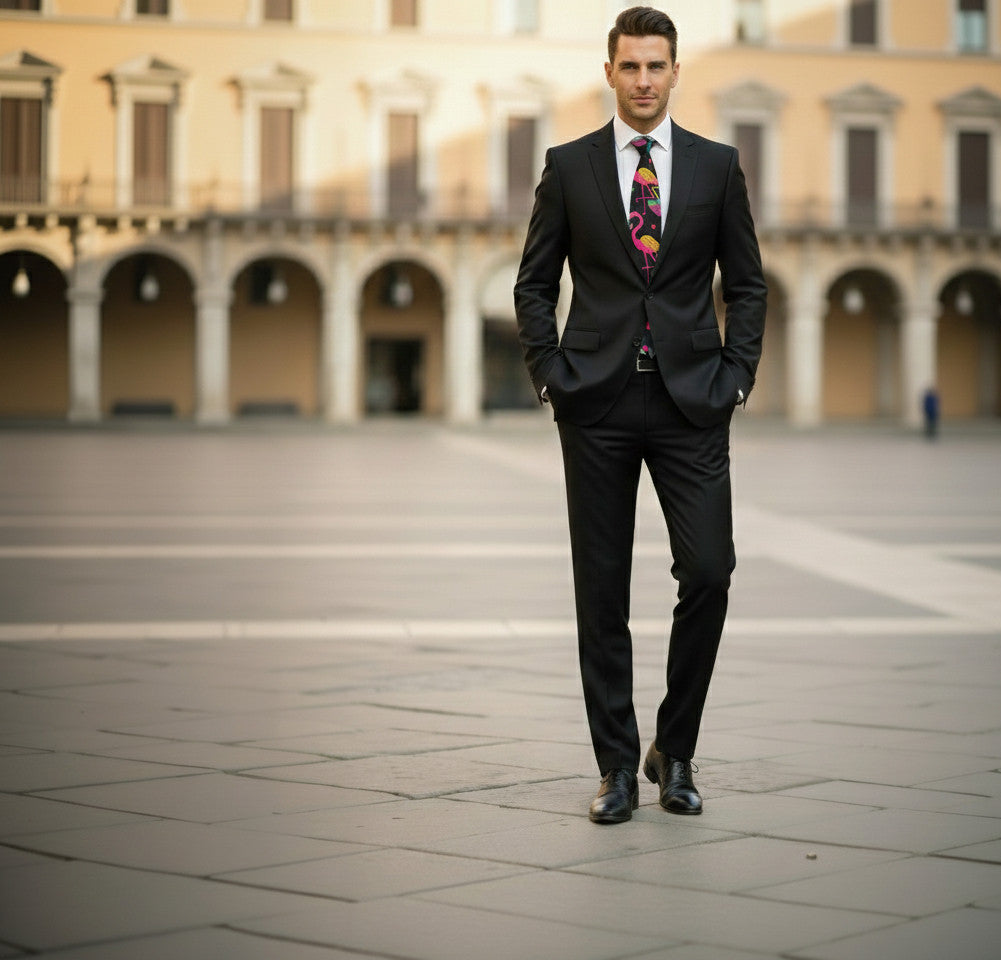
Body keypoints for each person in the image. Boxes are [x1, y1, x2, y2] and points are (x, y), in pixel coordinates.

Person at [514, 6, 766, 824]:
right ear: (609, 73)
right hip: (596, 401)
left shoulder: (716, 167)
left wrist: (736, 377)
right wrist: (551, 375)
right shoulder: (569, 166)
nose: (644, 80)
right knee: (601, 590)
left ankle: (675, 750)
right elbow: (533, 282)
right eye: (630, 66)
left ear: (675, 71)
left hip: (693, 401)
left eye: (656, 66)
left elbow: (747, 285)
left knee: (709, 572)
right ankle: (617, 768)